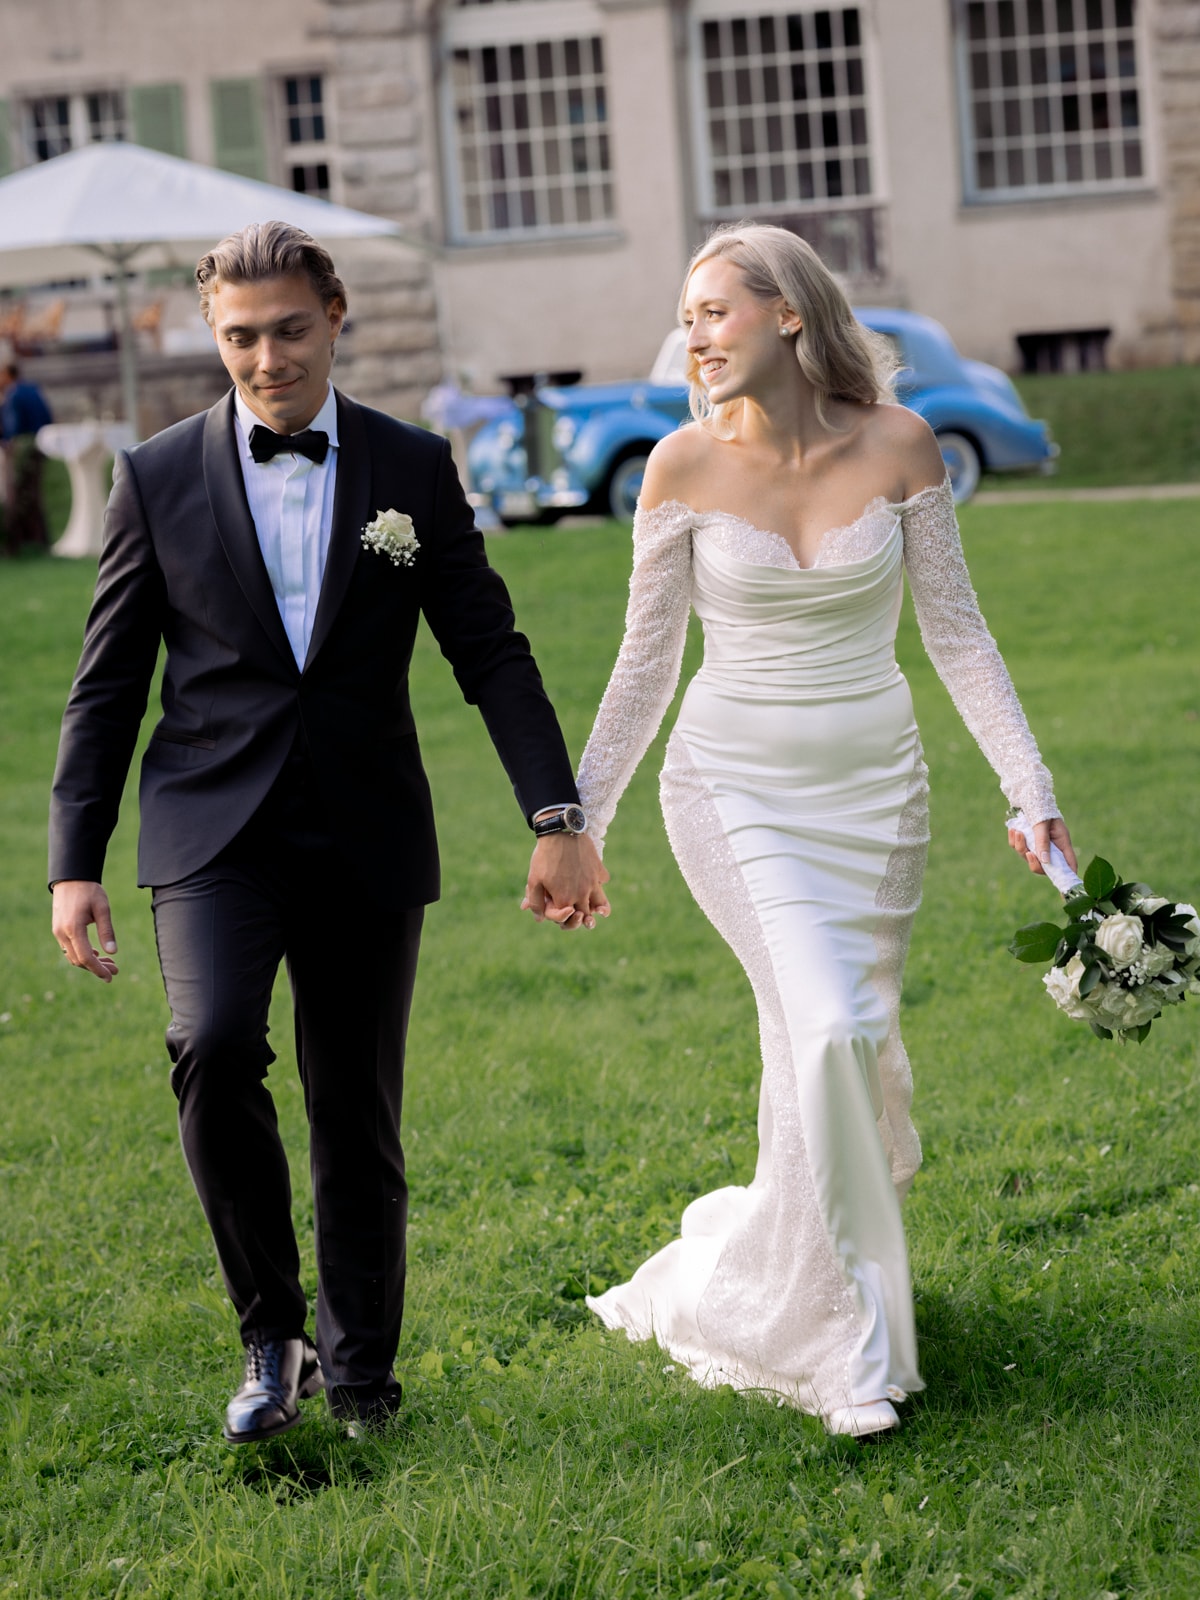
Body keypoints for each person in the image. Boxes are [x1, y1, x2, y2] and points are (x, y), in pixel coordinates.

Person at [48, 222, 609, 1444]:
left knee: (354, 1108)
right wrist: (72, 861)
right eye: (239, 335)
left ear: (336, 316)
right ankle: (271, 1334)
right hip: (210, 826)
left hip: (364, 828)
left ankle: (362, 1380)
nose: (265, 358)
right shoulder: (156, 477)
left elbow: (490, 649)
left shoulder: (411, 465)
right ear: (213, 333)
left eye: (288, 329)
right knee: (209, 1043)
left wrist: (557, 813)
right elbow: (107, 683)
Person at [574, 223, 1074, 1438]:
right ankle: (853, 1348)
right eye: (685, 319)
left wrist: (1032, 787)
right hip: (731, 785)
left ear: (789, 314)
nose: (692, 338)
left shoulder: (901, 446)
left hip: (874, 793)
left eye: (713, 313)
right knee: (829, 1025)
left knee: (833, 1040)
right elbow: (645, 669)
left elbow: (956, 633)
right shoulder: (679, 467)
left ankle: (781, 1271)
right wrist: (574, 821)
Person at [1, 361, 54, 554]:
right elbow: (48, 417)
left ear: (7, 375)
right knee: (33, 495)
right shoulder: (34, 390)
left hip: (21, 448)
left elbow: (11, 428)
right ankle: (39, 540)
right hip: (38, 445)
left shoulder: (13, 394)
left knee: (15, 496)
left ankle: (13, 545)